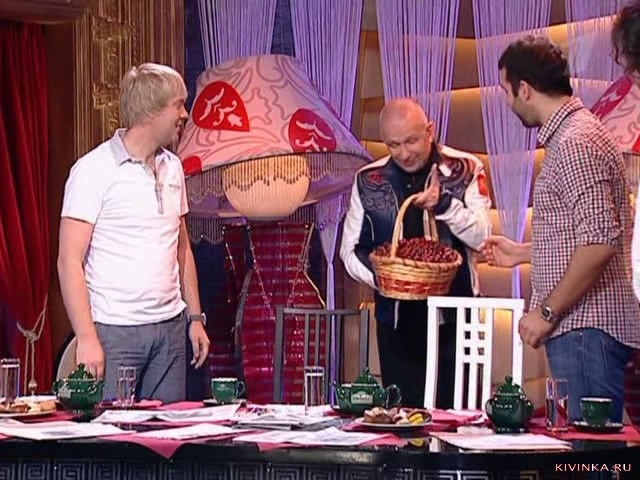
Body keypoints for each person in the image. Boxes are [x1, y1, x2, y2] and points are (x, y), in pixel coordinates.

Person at [482, 36, 640, 423]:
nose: (507, 101)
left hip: (587, 329)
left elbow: (600, 241)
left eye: (505, 90)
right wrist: (524, 252)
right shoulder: (574, 134)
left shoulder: (575, 142)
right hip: (584, 332)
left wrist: (547, 312)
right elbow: (585, 232)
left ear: (524, 89)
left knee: (593, 451)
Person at [57, 63, 210, 403]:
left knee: (168, 431)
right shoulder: (93, 171)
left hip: (169, 331)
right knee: (113, 432)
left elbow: (182, 249)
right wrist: (86, 337)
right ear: (151, 111)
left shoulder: (173, 168)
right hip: (114, 332)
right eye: (178, 105)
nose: (184, 115)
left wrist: (195, 318)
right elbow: (68, 262)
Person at [340, 98, 492, 408]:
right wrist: (387, 280)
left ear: (429, 131)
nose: (404, 153)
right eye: (394, 145)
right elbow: (350, 250)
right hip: (396, 322)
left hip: (457, 319)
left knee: (458, 417)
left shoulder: (465, 169)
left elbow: (482, 238)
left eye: (411, 141)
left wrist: (445, 205)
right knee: (402, 417)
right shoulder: (368, 180)